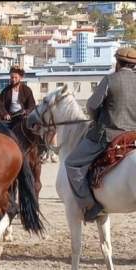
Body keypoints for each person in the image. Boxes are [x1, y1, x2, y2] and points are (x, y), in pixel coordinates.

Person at [65, 47, 136, 222]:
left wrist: (96, 119)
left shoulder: (110, 79)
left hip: (110, 135)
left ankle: (90, 206)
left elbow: (92, 106)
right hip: (134, 136)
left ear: (118, 63)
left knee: (72, 163)